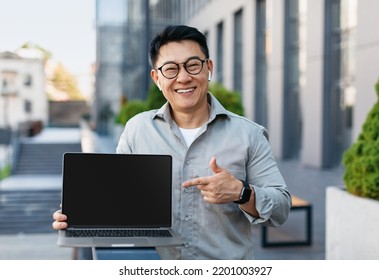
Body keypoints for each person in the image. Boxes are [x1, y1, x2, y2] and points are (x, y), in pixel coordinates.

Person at [53, 24, 291, 260]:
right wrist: (81, 215)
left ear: (208, 68)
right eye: (171, 69)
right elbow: (115, 202)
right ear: (157, 78)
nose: (184, 77)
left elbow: (280, 210)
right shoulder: (138, 129)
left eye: (193, 65)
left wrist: (241, 193)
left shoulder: (249, 134)